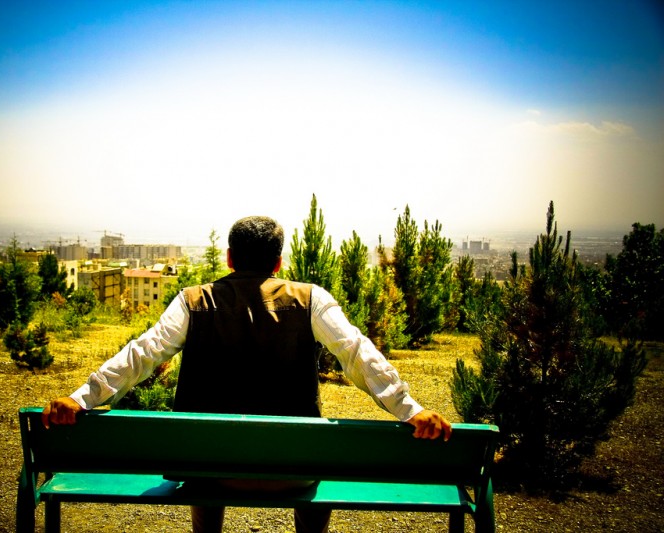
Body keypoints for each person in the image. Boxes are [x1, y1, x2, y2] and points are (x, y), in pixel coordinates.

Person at [43, 215, 452, 533]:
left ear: (229, 258)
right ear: (278, 262)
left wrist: (81, 398)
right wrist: (410, 410)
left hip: (211, 473)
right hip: (291, 474)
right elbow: (358, 354)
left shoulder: (192, 301)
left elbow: (143, 353)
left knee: (206, 453)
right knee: (315, 463)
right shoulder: (311, 300)